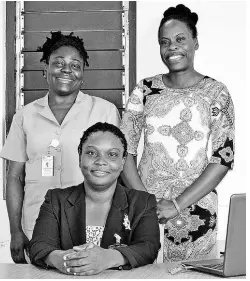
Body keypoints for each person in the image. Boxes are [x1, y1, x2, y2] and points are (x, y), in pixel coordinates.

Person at [120, 4, 234, 262]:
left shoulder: (217, 93)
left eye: (180, 39)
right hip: (144, 210)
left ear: (195, 42)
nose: (172, 47)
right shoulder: (145, 90)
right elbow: (123, 148)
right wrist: (146, 203)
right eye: (165, 42)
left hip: (197, 212)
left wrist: (177, 204)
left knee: (192, 276)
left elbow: (223, 158)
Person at [0, 31, 121, 264]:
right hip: (35, 224)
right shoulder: (24, 116)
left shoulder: (105, 112)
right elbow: (14, 177)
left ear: (82, 75)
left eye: (75, 65)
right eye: (58, 63)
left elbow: (119, 170)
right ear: (45, 69)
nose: (67, 69)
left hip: (92, 222)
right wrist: (15, 230)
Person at [29, 122, 160, 276]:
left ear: (123, 162)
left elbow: (148, 247)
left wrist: (109, 258)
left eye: (112, 154)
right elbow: (39, 246)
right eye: (91, 153)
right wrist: (64, 259)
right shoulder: (56, 199)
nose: (100, 161)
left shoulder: (142, 202)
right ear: (80, 158)